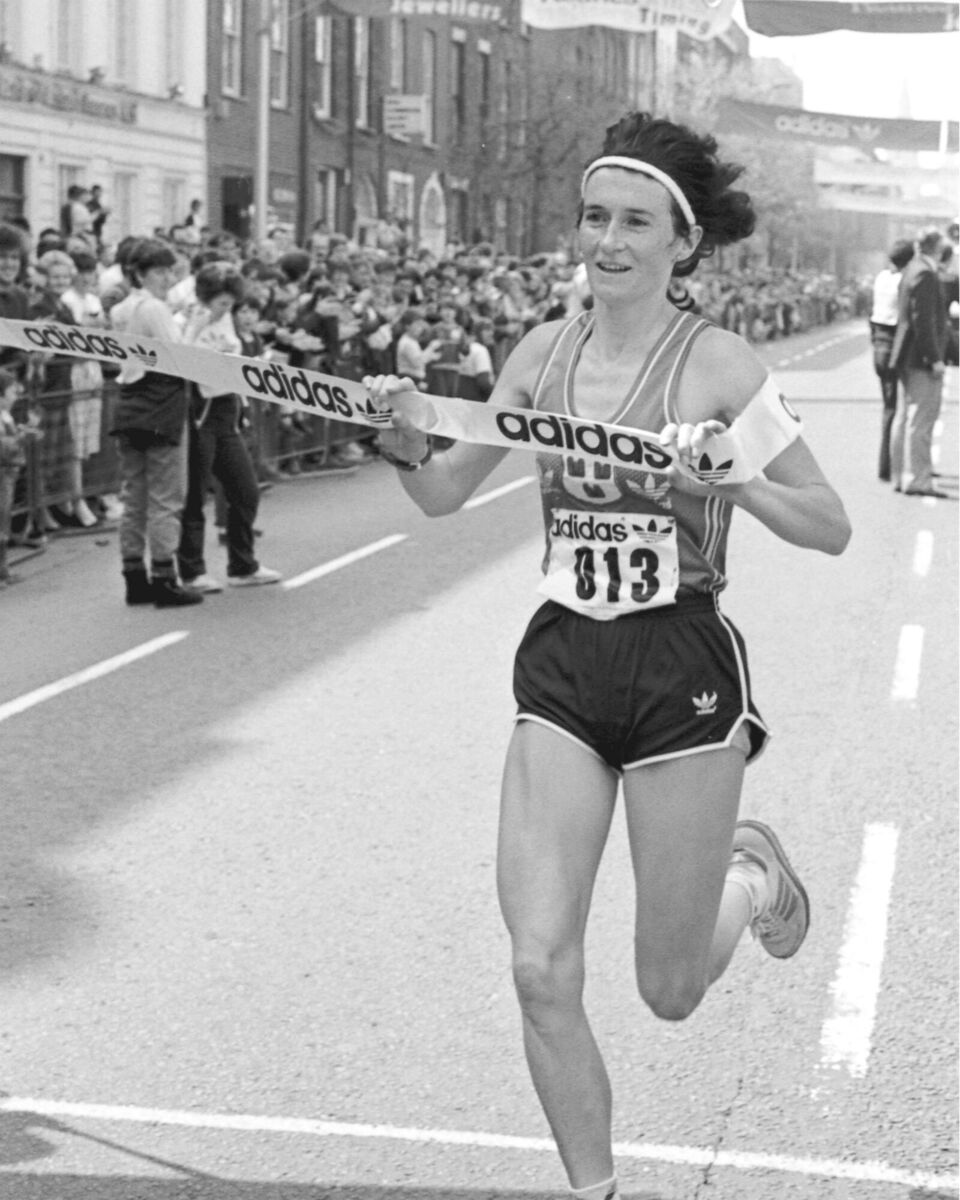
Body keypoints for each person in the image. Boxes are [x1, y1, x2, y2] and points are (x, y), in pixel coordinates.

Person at [365, 112, 851, 1200]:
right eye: (594, 218)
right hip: (564, 668)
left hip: (681, 668)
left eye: (635, 223)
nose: (607, 242)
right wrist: (402, 447)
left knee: (669, 990)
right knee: (540, 967)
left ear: (682, 244)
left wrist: (737, 488)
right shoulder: (542, 351)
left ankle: (747, 874)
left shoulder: (719, 363)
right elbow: (445, 492)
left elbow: (830, 523)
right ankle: (598, 1193)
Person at [108, 239, 201, 607]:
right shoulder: (154, 309)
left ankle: (134, 575)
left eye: (169, 271)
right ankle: (164, 576)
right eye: (159, 271)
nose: (167, 278)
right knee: (165, 496)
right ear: (140, 274)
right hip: (160, 402)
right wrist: (195, 325)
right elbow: (180, 356)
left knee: (134, 495)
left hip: (129, 401)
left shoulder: (120, 308)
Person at [177, 262, 281, 591]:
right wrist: (196, 332)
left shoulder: (226, 321)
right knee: (195, 495)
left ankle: (242, 564)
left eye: (229, 303)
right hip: (199, 412)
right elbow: (182, 363)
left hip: (227, 411)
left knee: (245, 491)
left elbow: (232, 355)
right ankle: (191, 570)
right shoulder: (184, 320)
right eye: (221, 303)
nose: (226, 310)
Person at [889, 226, 948, 498]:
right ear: (936, 247)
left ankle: (900, 475)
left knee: (904, 417)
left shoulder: (912, 268)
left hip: (905, 354)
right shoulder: (925, 273)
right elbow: (923, 320)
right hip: (919, 357)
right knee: (922, 420)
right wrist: (934, 357)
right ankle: (920, 479)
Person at [869, 239, 915, 483]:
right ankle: (896, 466)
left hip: (879, 344)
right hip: (897, 347)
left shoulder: (881, 278)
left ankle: (885, 466)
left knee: (889, 409)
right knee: (902, 411)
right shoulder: (904, 281)